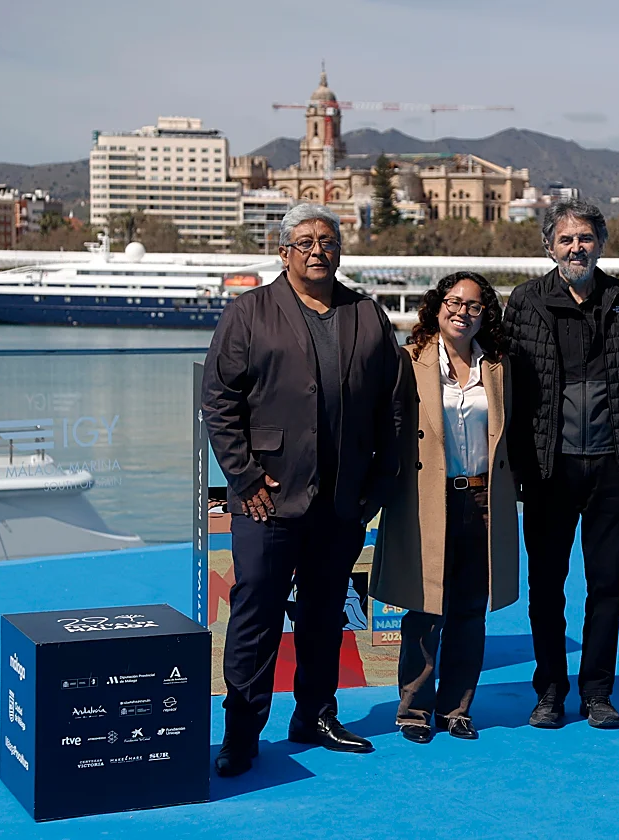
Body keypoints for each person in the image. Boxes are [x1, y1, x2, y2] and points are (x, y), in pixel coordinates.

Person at [201, 203, 401, 776]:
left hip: (342, 502)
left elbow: (392, 404)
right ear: (283, 250)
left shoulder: (366, 313)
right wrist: (242, 477)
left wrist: (379, 484)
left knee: (323, 616)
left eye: (329, 241)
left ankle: (315, 714)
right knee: (255, 617)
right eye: (307, 241)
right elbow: (219, 403)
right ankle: (241, 733)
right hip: (266, 500)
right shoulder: (249, 313)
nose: (319, 250)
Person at [504, 198, 619, 730]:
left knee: (606, 585)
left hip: (613, 467)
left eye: (586, 238)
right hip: (548, 469)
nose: (577, 247)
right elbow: (508, 388)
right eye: (566, 239)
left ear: (601, 244)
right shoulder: (525, 302)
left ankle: (597, 692)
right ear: (549, 246)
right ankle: (549, 690)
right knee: (546, 586)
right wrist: (513, 463)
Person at [372, 272, 519, 744]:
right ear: (437, 307)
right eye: (454, 302)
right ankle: (413, 710)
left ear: (484, 315)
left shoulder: (497, 366)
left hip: (482, 499)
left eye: (474, 306)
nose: (462, 312)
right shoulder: (408, 361)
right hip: (425, 498)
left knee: (471, 609)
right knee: (424, 607)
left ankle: (457, 707)